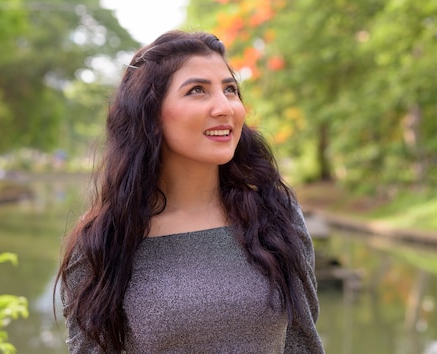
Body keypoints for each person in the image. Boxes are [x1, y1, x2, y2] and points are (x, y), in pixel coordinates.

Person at [56, 30, 325, 353]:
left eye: (230, 90)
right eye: (197, 90)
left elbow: (303, 343)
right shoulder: (104, 240)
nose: (224, 107)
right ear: (150, 114)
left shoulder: (275, 214)